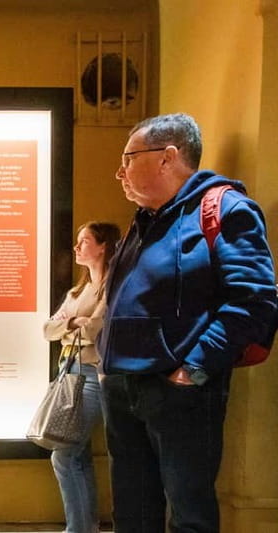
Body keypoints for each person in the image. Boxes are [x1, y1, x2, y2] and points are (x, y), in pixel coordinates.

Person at [98, 113, 277, 532]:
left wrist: (192, 370)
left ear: (168, 157)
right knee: (132, 514)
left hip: (179, 391)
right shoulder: (145, 220)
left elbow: (254, 300)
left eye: (128, 157)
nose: (119, 171)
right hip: (124, 387)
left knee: (189, 516)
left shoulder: (225, 209)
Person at [43, 221, 121, 533]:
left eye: (84, 241)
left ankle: (79, 528)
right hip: (69, 373)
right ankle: (83, 526)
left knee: (65, 453)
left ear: (103, 246)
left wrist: (72, 326)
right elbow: (49, 329)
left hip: (94, 374)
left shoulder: (112, 287)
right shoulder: (79, 290)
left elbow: (99, 328)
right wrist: (77, 321)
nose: (76, 247)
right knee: (76, 453)